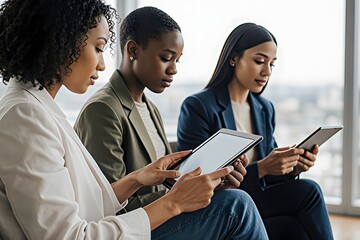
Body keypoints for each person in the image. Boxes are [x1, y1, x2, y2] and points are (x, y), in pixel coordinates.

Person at [0, 1, 268, 239]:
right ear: (62, 40)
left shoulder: (36, 107)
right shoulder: (25, 116)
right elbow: (68, 235)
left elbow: (82, 205)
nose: (103, 65)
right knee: (236, 208)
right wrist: (173, 202)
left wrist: (139, 178)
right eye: (98, 48)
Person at [74, 6, 249, 213]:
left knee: (232, 199)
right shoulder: (102, 110)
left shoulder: (151, 109)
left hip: (165, 215)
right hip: (136, 227)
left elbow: (167, 182)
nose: (174, 69)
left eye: (177, 60)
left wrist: (210, 185)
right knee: (238, 204)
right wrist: (183, 195)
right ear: (133, 50)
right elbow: (109, 206)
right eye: (166, 58)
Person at [177, 22, 334, 240]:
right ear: (234, 59)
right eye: (259, 61)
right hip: (223, 205)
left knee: (299, 215)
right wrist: (261, 168)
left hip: (257, 200)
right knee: (307, 196)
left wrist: (292, 168)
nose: (267, 71)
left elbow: (269, 176)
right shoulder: (199, 106)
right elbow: (194, 179)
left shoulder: (264, 108)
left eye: (272, 64)